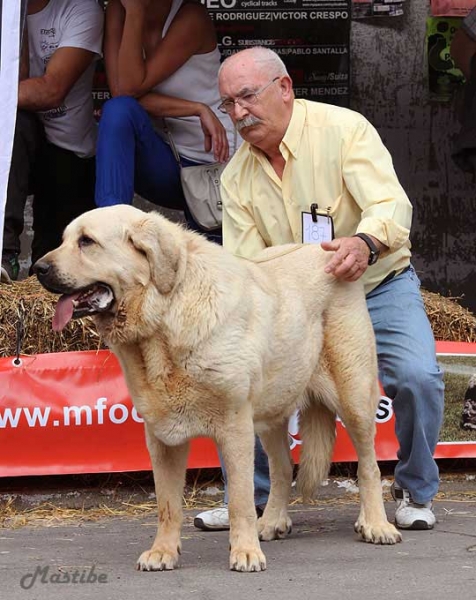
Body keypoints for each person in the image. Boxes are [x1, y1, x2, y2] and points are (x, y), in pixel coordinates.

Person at [194, 46, 444, 532]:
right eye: (228, 104)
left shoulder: (344, 130)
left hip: (373, 282)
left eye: (247, 96)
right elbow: (247, 268)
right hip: (296, 304)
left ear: (284, 88)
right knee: (242, 379)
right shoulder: (236, 177)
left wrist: (364, 242)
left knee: (418, 377)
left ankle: (413, 488)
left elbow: (391, 204)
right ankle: (252, 500)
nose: (239, 113)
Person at [94, 0, 236, 237]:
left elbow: (129, 86)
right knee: (118, 111)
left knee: (212, 264)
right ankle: (109, 232)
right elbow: (122, 92)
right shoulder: (118, 11)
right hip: (164, 162)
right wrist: (195, 108)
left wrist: (136, 11)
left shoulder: (191, 14)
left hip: (208, 165)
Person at [1, 0, 104, 283]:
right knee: (16, 122)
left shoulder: (81, 8)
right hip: (18, 147)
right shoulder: (7, 10)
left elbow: (51, 90)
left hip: (67, 153)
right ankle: (4, 253)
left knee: (51, 273)